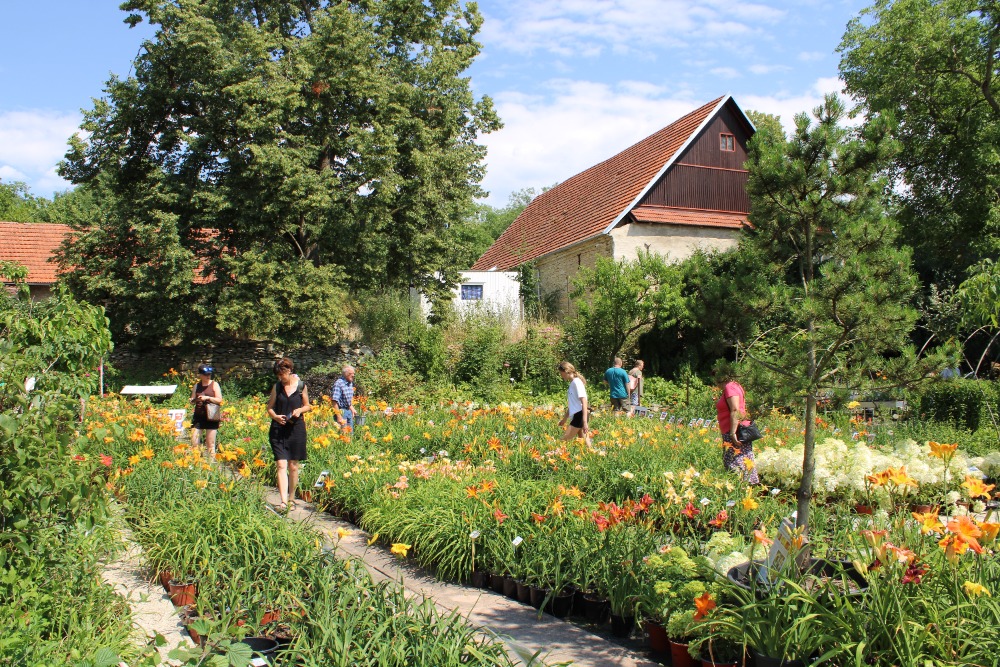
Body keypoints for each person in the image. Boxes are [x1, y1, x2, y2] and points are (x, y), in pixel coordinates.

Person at [266, 357, 311, 511]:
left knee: (293, 466)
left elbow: (307, 406)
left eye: (282, 375)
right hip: (278, 429)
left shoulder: (301, 386)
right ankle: (283, 501)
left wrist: (299, 410)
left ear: (289, 371)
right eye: (278, 376)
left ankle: (291, 498)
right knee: (280, 464)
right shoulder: (277, 387)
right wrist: (275, 416)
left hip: (296, 429)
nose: (280, 378)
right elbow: (270, 407)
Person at [714, 368, 760, 484]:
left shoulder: (730, 388)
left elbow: (735, 409)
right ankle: (744, 491)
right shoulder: (735, 386)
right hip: (735, 430)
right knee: (741, 461)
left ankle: (740, 492)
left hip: (735, 431)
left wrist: (733, 433)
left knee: (735, 464)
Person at [190, 364, 222, 460]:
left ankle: (212, 466)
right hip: (198, 416)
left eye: (209, 374)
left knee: (210, 444)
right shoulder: (197, 385)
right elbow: (192, 400)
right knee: (194, 442)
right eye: (205, 374)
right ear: (200, 375)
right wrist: (192, 400)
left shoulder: (214, 384)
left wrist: (207, 398)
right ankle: (197, 464)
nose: (208, 376)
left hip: (211, 416)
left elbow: (219, 400)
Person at [557, 361, 591, 446]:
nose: (561, 376)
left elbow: (584, 401)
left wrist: (584, 422)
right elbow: (573, 405)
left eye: (561, 373)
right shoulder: (573, 383)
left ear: (566, 371)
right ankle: (595, 456)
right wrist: (564, 419)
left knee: (563, 441)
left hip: (580, 416)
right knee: (585, 443)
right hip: (578, 415)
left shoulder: (577, 382)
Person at [330, 364, 357, 432]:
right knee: (343, 435)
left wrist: (352, 408)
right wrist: (339, 416)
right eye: (351, 373)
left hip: (348, 411)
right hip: (341, 411)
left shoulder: (350, 383)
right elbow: (334, 401)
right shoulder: (339, 384)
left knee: (350, 434)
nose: (353, 375)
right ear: (346, 374)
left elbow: (347, 399)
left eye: (354, 373)